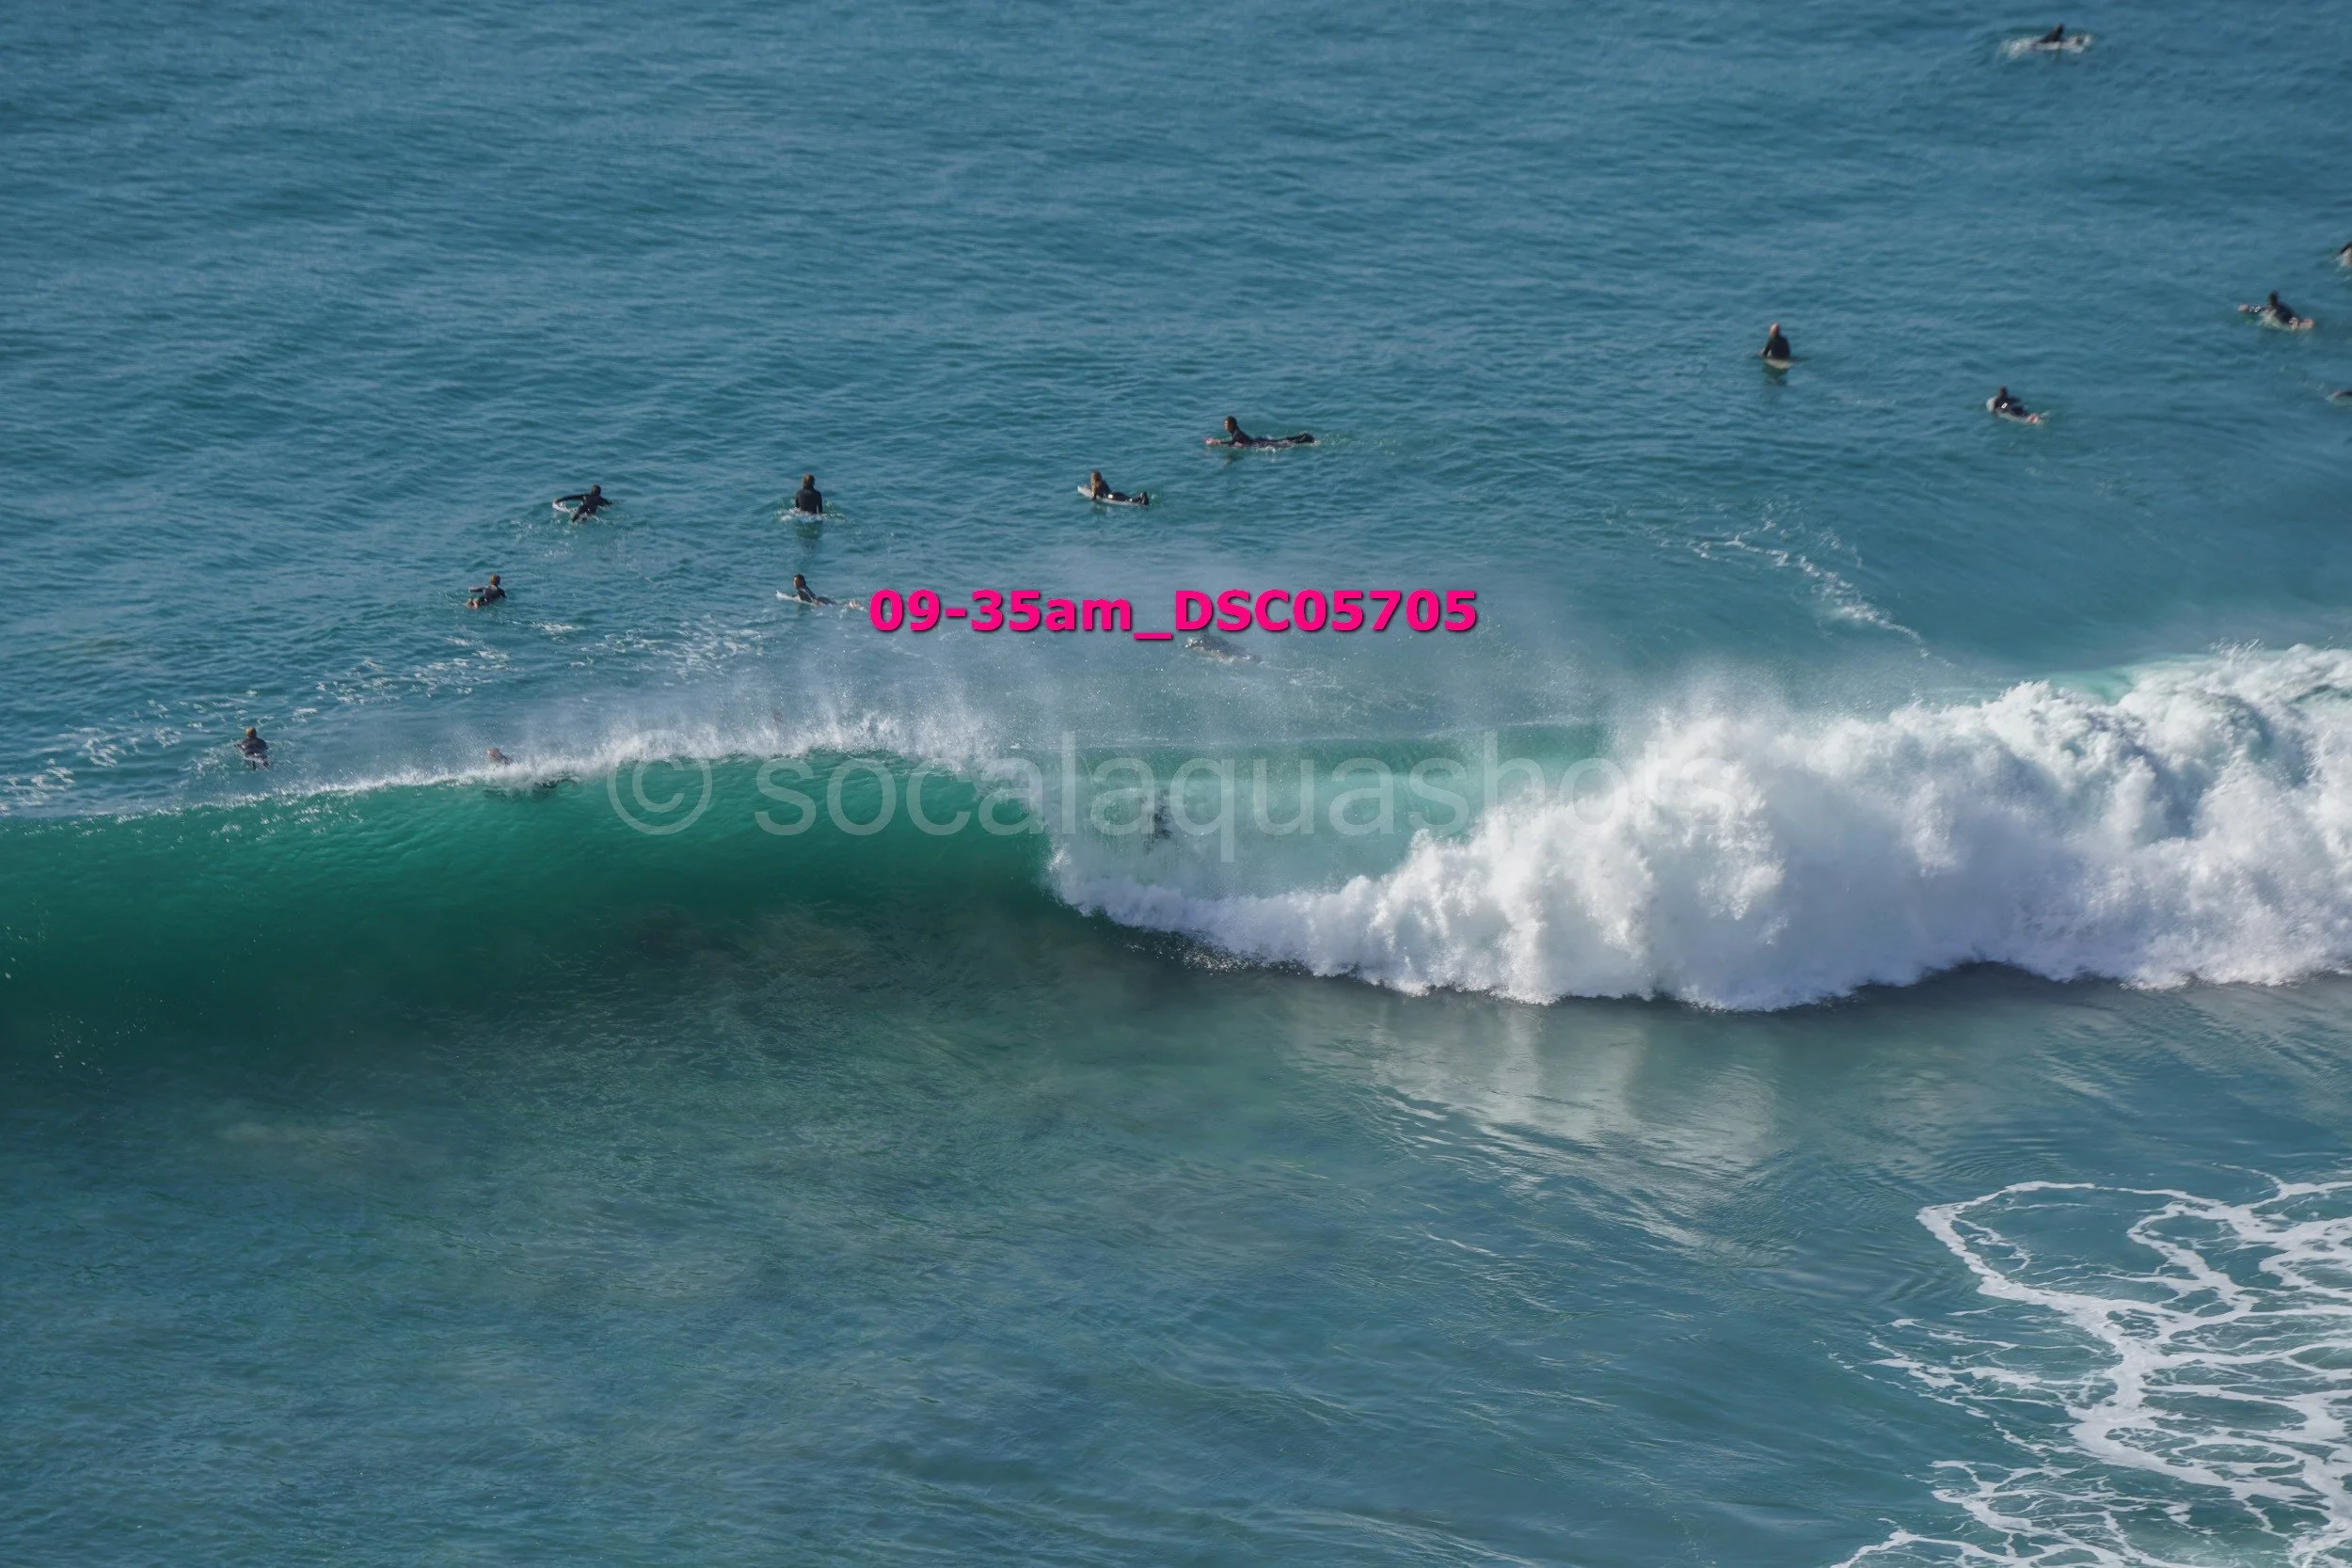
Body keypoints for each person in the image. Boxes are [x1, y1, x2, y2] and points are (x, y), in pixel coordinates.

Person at [1085, 470, 1149, 505]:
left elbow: (1094, 497)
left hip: (1111, 497)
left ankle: (1141, 496)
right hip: (1115, 493)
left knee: (1128, 501)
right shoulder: (1103, 482)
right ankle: (1140, 498)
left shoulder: (1095, 486)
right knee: (1128, 498)